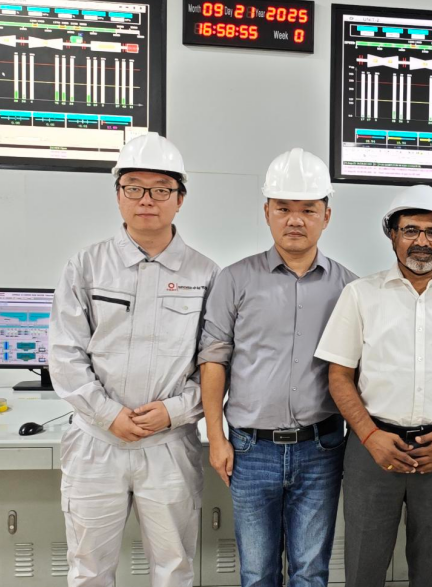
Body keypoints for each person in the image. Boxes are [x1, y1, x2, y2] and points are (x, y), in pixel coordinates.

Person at [50, 132, 218, 587]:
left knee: (174, 569)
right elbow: (64, 354)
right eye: (134, 187)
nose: (147, 199)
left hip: (168, 445)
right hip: (96, 442)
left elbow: (215, 365)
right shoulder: (86, 267)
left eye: (161, 189)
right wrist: (107, 414)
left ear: (180, 199)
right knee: (89, 570)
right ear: (118, 194)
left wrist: (175, 411)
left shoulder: (206, 275)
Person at [315, 184, 432, 587]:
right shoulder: (360, 295)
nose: (422, 241)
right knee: (364, 566)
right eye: (411, 230)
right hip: (372, 449)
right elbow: (339, 376)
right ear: (392, 236)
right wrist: (370, 436)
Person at [198, 149, 356, 587]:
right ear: (266, 212)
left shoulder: (349, 288)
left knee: (311, 571)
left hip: (321, 448)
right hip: (251, 450)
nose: (295, 220)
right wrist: (216, 437)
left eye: (308, 209)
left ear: (326, 216)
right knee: (257, 573)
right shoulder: (235, 279)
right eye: (283, 208)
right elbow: (213, 360)